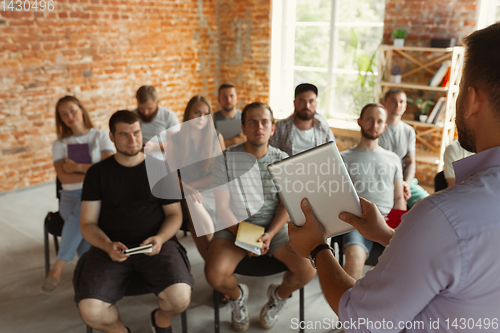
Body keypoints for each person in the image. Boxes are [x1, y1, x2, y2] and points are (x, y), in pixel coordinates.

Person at [288, 22, 500, 332]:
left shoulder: (443, 216)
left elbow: (361, 318)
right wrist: (387, 234)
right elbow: (455, 263)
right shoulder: (446, 223)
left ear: (471, 101)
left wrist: (318, 247)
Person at [74, 111, 193, 333]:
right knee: (91, 311)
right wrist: (107, 245)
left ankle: (161, 320)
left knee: (180, 298)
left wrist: (160, 238)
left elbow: (174, 215)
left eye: (136, 133)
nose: (133, 140)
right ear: (111, 136)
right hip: (109, 247)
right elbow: (87, 224)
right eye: (124, 135)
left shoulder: (160, 167)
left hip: (156, 243)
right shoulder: (97, 173)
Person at [205, 102, 316, 331]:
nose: (259, 126)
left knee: (308, 270)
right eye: (252, 122)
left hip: (274, 229)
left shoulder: (282, 159)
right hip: (234, 227)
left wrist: (269, 234)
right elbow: (223, 209)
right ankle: (237, 297)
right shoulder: (224, 159)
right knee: (214, 275)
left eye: (265, 122)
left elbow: (286, 207)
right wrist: (247, 237)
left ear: (272, 128)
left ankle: (278, 295)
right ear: (243, 127)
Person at [40, 96, 115, 295]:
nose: (69, 116)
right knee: (81, 221)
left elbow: (108, 171)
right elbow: (64, 177)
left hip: (98, 196)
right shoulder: (60, 144)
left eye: (72, 110)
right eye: (63, 114)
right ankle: (90, 276)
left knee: (80, 216)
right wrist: (91, 171)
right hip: (69, 197)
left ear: (81, 110)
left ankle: (59, 267)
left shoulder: (100, 136)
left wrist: (77, 167)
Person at [340, 103, 405, 280]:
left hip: (389, 222)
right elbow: (338, 199)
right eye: (369, 119)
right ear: (360, 121)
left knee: (407, 265)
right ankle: (351, 307)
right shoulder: (343, 158)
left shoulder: (393, 159)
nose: (374, 125)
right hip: (358, 224)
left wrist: (396, 225)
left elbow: (399, 198)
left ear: (384, 126)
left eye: (379, 121)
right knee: (353, 262)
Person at [167, 96, 226, 260]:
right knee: (192, 202)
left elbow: (221, 175)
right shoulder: (175, 139)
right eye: (197, 112)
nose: (201, 118)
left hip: (210, 189)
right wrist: (185, 188)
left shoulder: (216, 137)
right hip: (182, 190)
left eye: (206, 114)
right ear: (188, 114)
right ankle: (216, 261)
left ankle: (213, 263)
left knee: (194, 219)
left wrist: (190, 186)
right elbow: (170, 173)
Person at [379, 88, 429, 208]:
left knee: (428, 204)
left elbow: (410, 162)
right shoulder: (376, 128)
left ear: (405, 106)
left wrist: (406, 183)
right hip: (382, 182)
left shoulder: (409, 131)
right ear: (384, 104)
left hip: (404, 182)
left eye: (401, 102)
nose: (398, 104)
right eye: (393, 101)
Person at [269, 83, 335, 156]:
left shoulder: (323, 128)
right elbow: (271, 155)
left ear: (316, 103)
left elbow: (332, 155)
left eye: (311, 101)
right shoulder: (280, 128)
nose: (307, 105)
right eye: (302, 101)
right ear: (294, 103)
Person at [213, 83, 246, 147]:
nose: (228, 100)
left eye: (231, 96)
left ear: (237, 98)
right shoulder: (213, 118)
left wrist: (223, 142)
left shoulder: (245, 117)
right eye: (224, 97)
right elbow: (211, 145)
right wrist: (234, 141)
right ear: (219, 99)